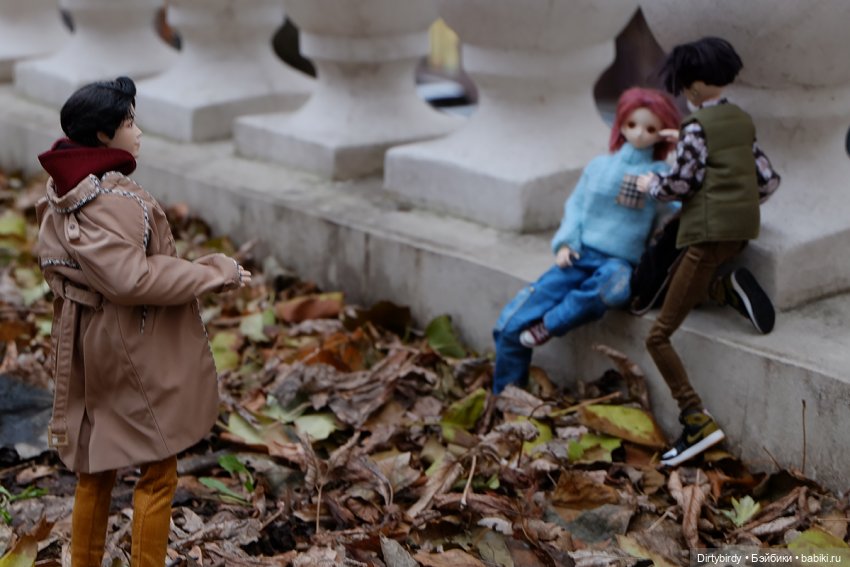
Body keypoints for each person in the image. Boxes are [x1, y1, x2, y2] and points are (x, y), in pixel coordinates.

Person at [35, 76, 251, 566]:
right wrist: (212, 272)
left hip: (88, 338)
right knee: (157, 467)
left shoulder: (65, 188)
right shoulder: (111, 199)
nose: (138, 132)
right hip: (125, 344)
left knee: (96, 465)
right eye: (129, 122)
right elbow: (132, 279)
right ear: (102, 135)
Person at [635, 37, 781, 467]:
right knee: (683, 285)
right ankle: (725, 289)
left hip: (706, 237)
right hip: (740, 232)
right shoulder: (739, 119)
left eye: (683, 86)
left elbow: (680, 184)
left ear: (694, 87)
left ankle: (695, 418)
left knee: (658, 336)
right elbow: (767, 181)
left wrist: (651, 185)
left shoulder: (697, 127)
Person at [491, 87, 681, 394]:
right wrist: (566, 243)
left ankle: (549, 325)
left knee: (615, 287)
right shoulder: (599, 166)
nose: (639, 133)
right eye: (632, 124)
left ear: (663, 132)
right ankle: (506, 398)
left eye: (651, 129)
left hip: (618, 263)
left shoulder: (660, 174)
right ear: (620, 125)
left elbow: (678, 209)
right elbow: (576, 206)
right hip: (580, 255)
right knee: (509, 325)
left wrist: (678, 157)